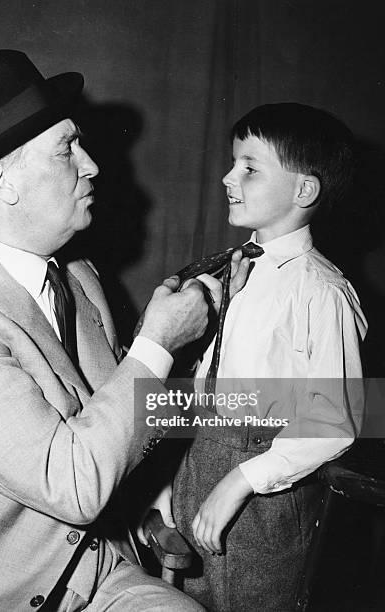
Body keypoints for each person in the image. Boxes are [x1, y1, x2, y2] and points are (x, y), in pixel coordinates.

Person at [0, 49, 250, 611]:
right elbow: (72, 485)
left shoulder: (77, 274)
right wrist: (159, 343)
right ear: (1, 181)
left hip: (95, 568)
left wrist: (313, 405)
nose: (91, 164)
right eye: (67, 147)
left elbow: (129, 409)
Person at [142, 103, 368, 611]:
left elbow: (334, 419)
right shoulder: (228, 270)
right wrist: (161, 478)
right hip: (192, 467)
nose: (227, 176)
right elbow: (195, 385)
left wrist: (238, 483)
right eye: (232, 162)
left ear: (304, 190)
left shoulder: (322, 292)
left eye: (249, 166)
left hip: (264, 497)